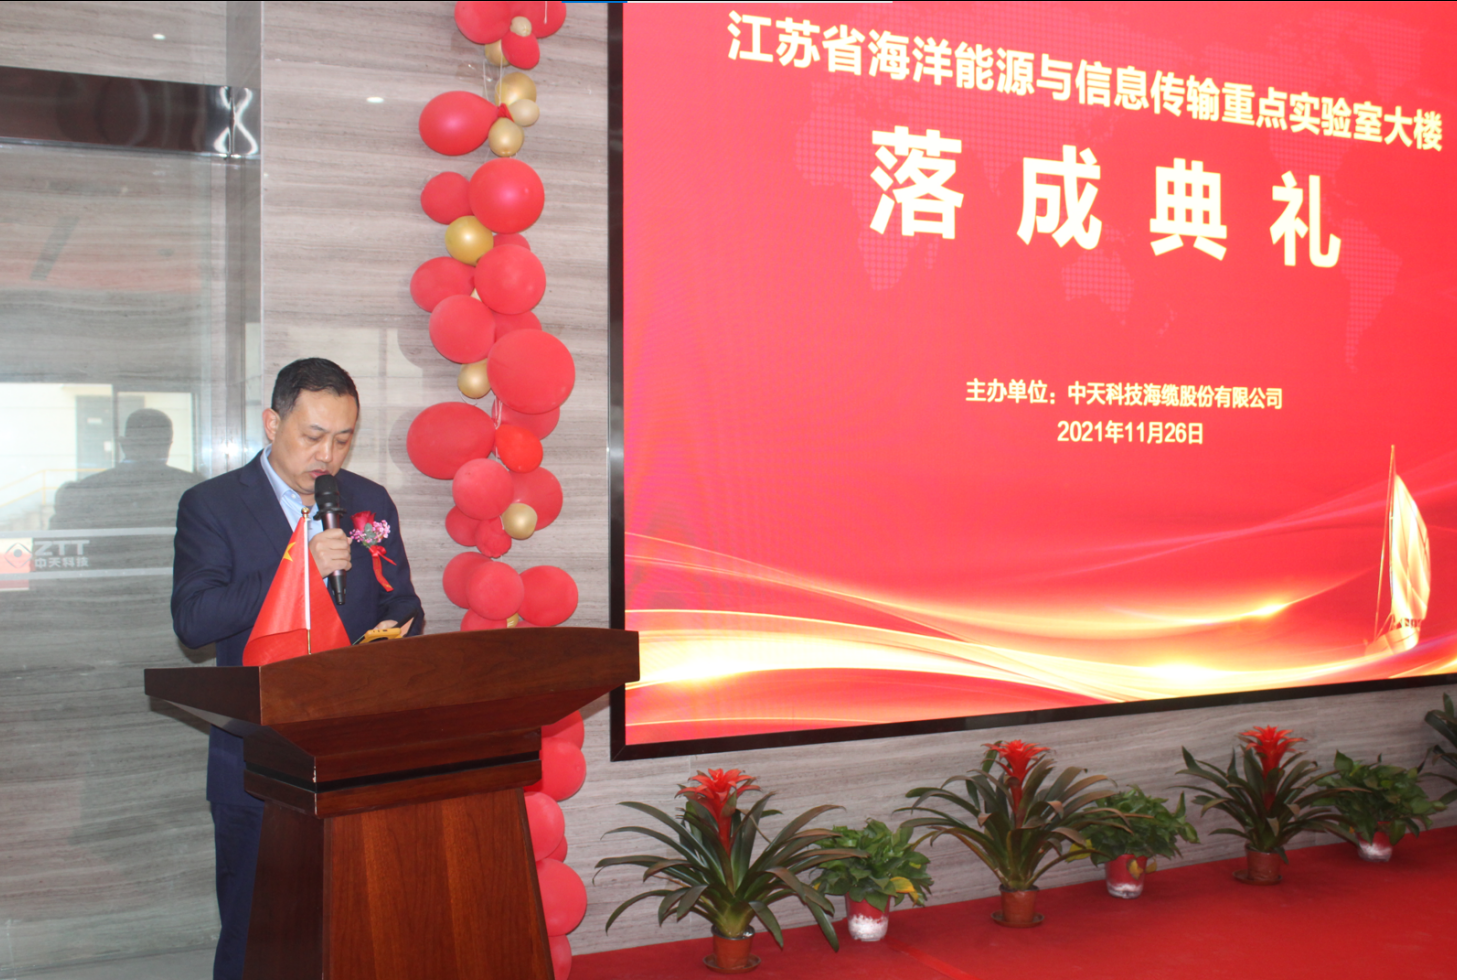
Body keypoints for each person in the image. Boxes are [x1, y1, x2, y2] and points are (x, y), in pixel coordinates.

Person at [171, 358, 422, 980]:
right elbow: (194, 620)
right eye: (313, 436)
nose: (327, 456)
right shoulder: (213, 505)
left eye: (342, 439)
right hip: (257, 755)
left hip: (353, 749)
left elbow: (403, 604)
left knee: (355, 926)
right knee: (258, 932)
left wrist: (390, 639)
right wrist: (297, 567)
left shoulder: (367, 501)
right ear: (272, 423)